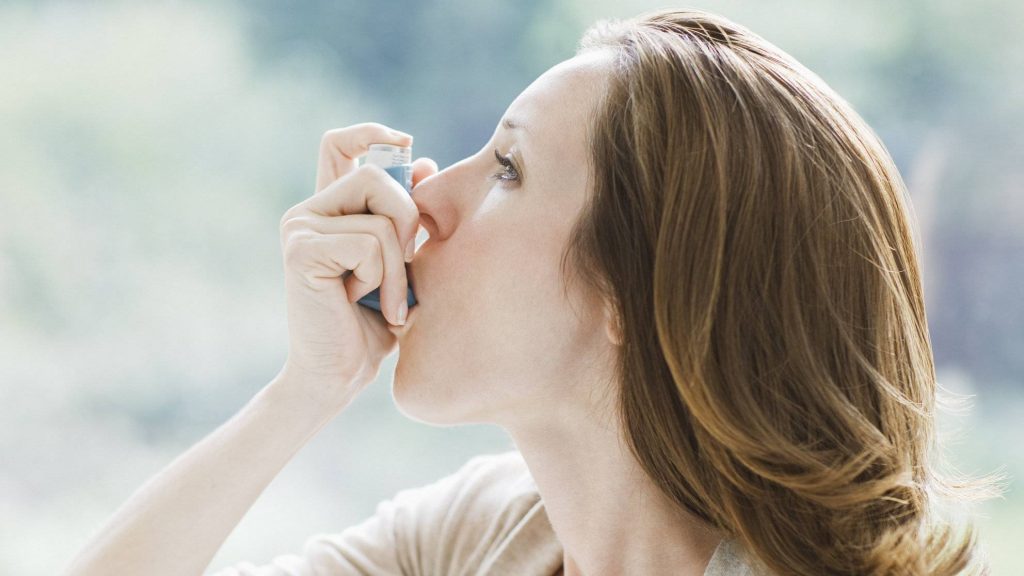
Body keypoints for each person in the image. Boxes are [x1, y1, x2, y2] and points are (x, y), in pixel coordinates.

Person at [64, 8, 994, 576]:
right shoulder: (482, 536)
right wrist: (306, 389)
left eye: (507, 168)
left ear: (635, 289)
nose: (426, 198)